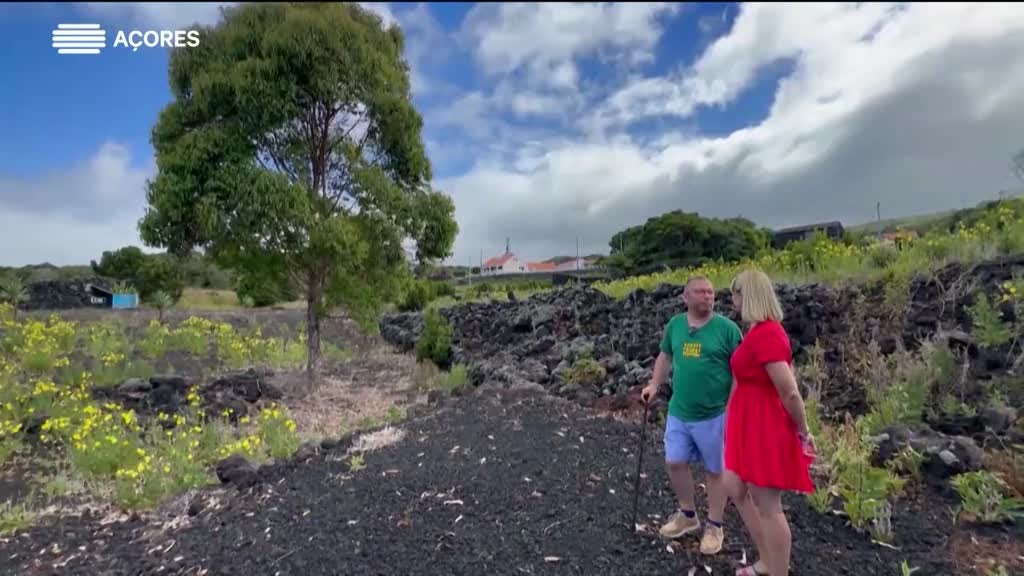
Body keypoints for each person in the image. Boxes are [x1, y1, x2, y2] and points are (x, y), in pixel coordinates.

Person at [641, 276, 743, 555]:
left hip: (714, 413)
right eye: (700, 291)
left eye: (710, 291)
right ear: (685, 297)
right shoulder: (675, 325)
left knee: (715, 470)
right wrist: (654, 385)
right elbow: (665, 357)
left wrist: (732, 406)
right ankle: (688, 515)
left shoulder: (727, 329)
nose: (707, 296)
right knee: (675, 461)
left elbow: (741, 370)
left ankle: (715, 525)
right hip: (679, 410)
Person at [723, 269, 816, 576]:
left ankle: (777, 570)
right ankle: (766, 560)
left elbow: (789, 391)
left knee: (768, 506)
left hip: (764, 426)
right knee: (734, 486)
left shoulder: (767, 333)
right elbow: (741, 378)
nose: (732, 299)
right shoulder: (754, 331)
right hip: (746, 423)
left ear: (746, 294)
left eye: (735, 293)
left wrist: (803, 431)